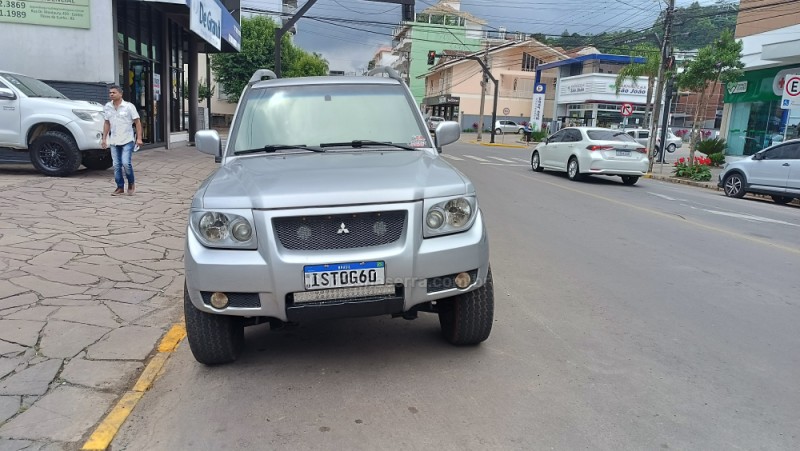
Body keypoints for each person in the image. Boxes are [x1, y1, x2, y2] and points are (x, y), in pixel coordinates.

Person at [102, 85, 143, 196]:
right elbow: (106, 123)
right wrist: (104, 138)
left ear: (120, 94)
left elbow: (137, 122)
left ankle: (131, 182)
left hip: (127, 140)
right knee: (116, 165)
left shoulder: (129, 107)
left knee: (126, 163)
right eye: (110, 93)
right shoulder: (107, 107)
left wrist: (139, 138)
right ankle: (119, 187)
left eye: (114, 92)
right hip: (114, 140)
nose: (111, 94)